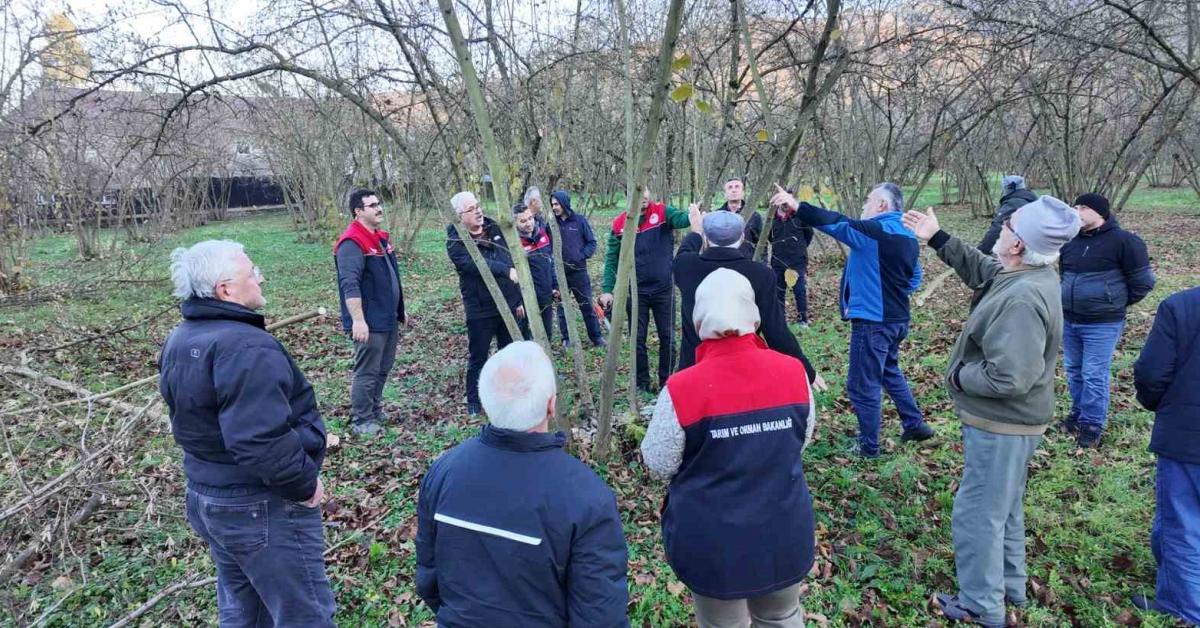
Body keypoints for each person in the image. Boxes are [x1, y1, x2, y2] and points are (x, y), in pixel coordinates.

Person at [902, 197, 1081, 628]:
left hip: (1005, 424)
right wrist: (937, 238)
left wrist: (961, 377)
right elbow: (985, 272)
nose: (1000, 228)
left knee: (979, 510)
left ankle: (982, 604)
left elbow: (1010, 378)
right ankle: (1010, 585)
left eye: (1007, 225)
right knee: (1005, 505)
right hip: (1016, 423)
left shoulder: (1022, 299)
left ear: (1017, 244)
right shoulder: (1025, 274)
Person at [159, 240, 334, 626]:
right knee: (304, 615)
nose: (260, 277)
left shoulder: (181, 338)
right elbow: (259, 440)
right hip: (258, 505)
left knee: (245, 611)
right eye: (252, 271)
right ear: (226, 289)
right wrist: (305, 484)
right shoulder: (246, 347)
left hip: (209, 498)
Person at [641, 268, 815, 628]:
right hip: (784, 532)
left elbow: (658, 462)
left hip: (713, 545)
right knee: (782, 616)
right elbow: (800, 441)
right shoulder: (794, 372)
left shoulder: (681, 388)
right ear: (751, 311)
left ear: (699, 317)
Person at [416, 341, 629, 627]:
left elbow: (429, 580)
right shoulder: (587, 496)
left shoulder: (443, 472)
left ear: (485, 400)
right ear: (551, 405)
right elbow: (600, 615)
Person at [770, 182, 934, 457]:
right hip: (897, 320)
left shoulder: (874, 231)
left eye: (868, 200)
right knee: (888, 371)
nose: (863, 206)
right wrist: (890, 288)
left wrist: (798, 206)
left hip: (873, 323)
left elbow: (836, 224)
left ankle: (869, 447)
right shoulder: (907, 234)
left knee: (862, 384)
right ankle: (915, 424)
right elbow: (914, 278)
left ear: (882, 205)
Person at [673, 209, 819, 385]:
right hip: (744, 372)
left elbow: (685, 250)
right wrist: (806, 371)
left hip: (695, 372)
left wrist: (696, 230)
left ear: (705, 239)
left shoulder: (685, 266)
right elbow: (777, 333)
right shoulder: (761, 274)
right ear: (742, 238)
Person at [1059, 192, 1156, 447]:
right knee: (1073, 370)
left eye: (1082, 207)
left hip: (1102, 323)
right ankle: (1078, 415)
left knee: (1094, 373)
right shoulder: (1070, 242)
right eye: (1075, 206)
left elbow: (1144, 283)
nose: (1076, 211)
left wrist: (1112, 302)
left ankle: (1092, 424)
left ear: (1099, 212)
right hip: (1069, 319)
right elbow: (1063, 277)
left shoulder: (1125, 242)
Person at [1132, 286, 1200, 624]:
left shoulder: (1182, 306)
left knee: (1182, 523)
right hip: (1186, 432)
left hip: (1189, 436)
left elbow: (1151, 373)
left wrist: (1165, 407)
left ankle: (1184, 609)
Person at [599, 188, 691, 393]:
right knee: (637, 338)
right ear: (628, 196)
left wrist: (694, 214)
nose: (644, 197)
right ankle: (642, 383)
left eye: (646, 192)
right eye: (638, 193)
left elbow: (682, 219)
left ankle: (666, 382)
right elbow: (612, 259)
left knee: (668, 337)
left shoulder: (662, 212)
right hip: (635, 292)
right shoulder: (620, 224)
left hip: (663, 289)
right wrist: (607, 289)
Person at [334, 188, 408, 436]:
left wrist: (400, 309)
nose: (379, 208)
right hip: (369, 320)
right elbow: (350, 283)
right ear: (358, 211)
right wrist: (358, 320)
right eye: (372, 205)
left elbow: (390, 276)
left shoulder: (380, 237)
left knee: (384, 366)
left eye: (379, 204)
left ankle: (374, 409)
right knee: (367, 370)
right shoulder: (352, 242)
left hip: (388, 317)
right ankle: (361, 419)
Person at [446, 191, 524, 416]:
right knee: (478, 355)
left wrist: (518, 299)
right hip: (480, 308)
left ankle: (507, 395)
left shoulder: (496, 229)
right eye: (471, 209)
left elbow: (511, 258)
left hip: (508, 303)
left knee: (509, 352)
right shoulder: (455, 242)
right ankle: (473, 400)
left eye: (478, 206)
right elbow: (476, 265)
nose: (478, 211)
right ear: (459, 216)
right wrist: (506, 271)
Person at [550, 190, 606, 348]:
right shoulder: (552, 224)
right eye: (552, 204)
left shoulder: (579, 221)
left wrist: (581, 255)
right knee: (562, 307)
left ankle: (596, 337)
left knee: (587, 305)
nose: (554, 207)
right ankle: (566, 338)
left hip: (579, 272)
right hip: (560, 273)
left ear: (564, 203)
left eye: (557, 204)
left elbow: (592, 243)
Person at [767, 190, 816, 325]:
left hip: (796, 261)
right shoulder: (772, 220)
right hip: (778, 260)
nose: (785, 203)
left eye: (787, 199)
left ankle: (803, 319)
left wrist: (799, 249)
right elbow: (770, 238)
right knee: (779, 291)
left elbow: (808, 235)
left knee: (799, 290)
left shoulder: (800, 217)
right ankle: (781, 320)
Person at [513, 201, 558, 341]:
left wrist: (555, 286)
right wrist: (517, 301)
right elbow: (512, 276)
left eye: (530, 218)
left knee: (547, 331)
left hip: (546, 293)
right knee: (524, 334)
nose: (528, 223)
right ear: (515, 223)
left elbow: (550, 262)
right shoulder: (514, 244)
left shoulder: (543, 233)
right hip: (526, 297)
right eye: (523, 221)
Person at [977, 175, 1037, 253]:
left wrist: (981, 250)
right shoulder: (1032, 200)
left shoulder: (1013, 203)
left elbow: (997, 228)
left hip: (1024, 252)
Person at [714, 177, 764, 254]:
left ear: (743, 192)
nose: (734, 190)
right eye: (730, 187)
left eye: (737, 187)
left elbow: (761, 245)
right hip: (723, 261)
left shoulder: (754, 216)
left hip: (746, 262)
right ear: (725, 194)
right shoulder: (717, 216)